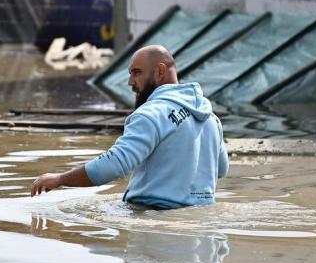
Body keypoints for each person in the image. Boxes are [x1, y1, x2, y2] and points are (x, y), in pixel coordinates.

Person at [30, 44, 228, 208]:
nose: (130, 82)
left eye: (136, 73)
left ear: (159, 71)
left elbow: (115, 164)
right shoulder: (211, 118)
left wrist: (60, 179)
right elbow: (220, 170)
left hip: (153, 218)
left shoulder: (150, 114)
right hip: (201, 224)